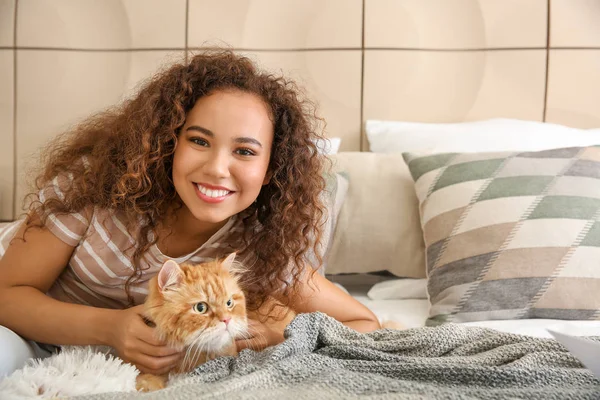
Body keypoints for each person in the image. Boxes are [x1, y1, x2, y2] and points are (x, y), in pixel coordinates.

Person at [0, 49, 380, 377]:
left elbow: (363, 323)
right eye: (199, 141)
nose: (217, 168)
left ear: (272, 170)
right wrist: (110, 328)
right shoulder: (92, 190)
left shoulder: (263, 244)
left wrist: (277, 335)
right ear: (169, 143)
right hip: (37, 330)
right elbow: (6, 293)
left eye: (245, 152)